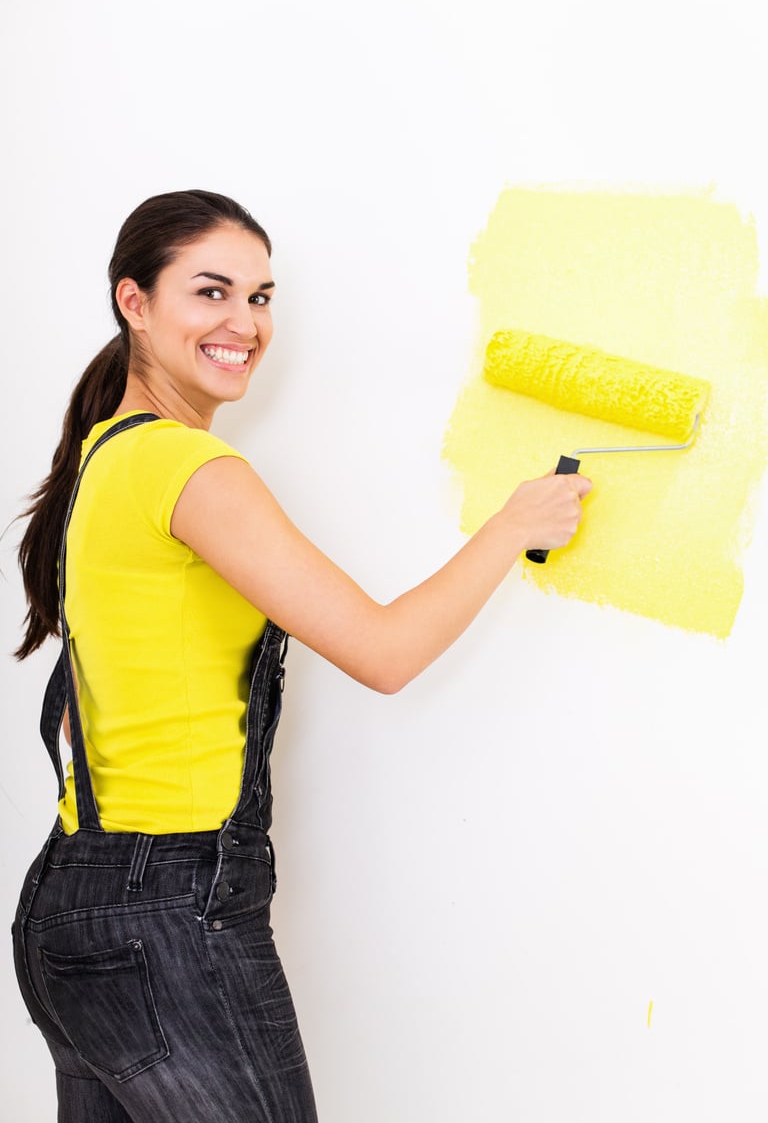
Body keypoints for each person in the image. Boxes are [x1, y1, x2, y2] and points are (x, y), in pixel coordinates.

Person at [11, 189, 591, 1122]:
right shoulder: (187, 470)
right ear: (134, 302)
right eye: (211, 292)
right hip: (171, 911)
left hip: (75, 909)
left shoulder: (105, 460)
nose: (245, 323)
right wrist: (510, 528)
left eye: (262, 297)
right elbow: (384, 651)